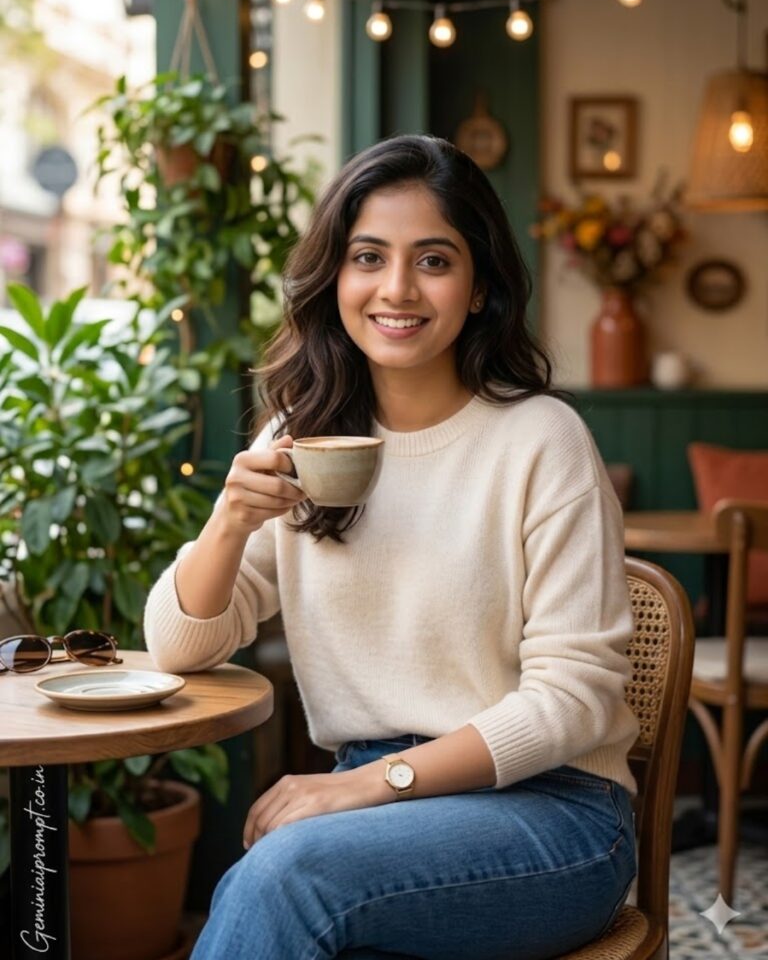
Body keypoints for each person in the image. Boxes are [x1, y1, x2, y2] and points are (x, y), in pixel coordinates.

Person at [144, 134, 639, 960]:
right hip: (377, 810)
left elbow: (576, 700)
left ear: (480, 286)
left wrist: (369, 785)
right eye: (368, 256)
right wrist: (227, 521)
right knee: (294, 891)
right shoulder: (305, 438)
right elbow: (181, 644)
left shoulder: (539, 439)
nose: (396, 289)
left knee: (288, 878)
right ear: (335, 276)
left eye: (434, 260)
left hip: (552, 814)